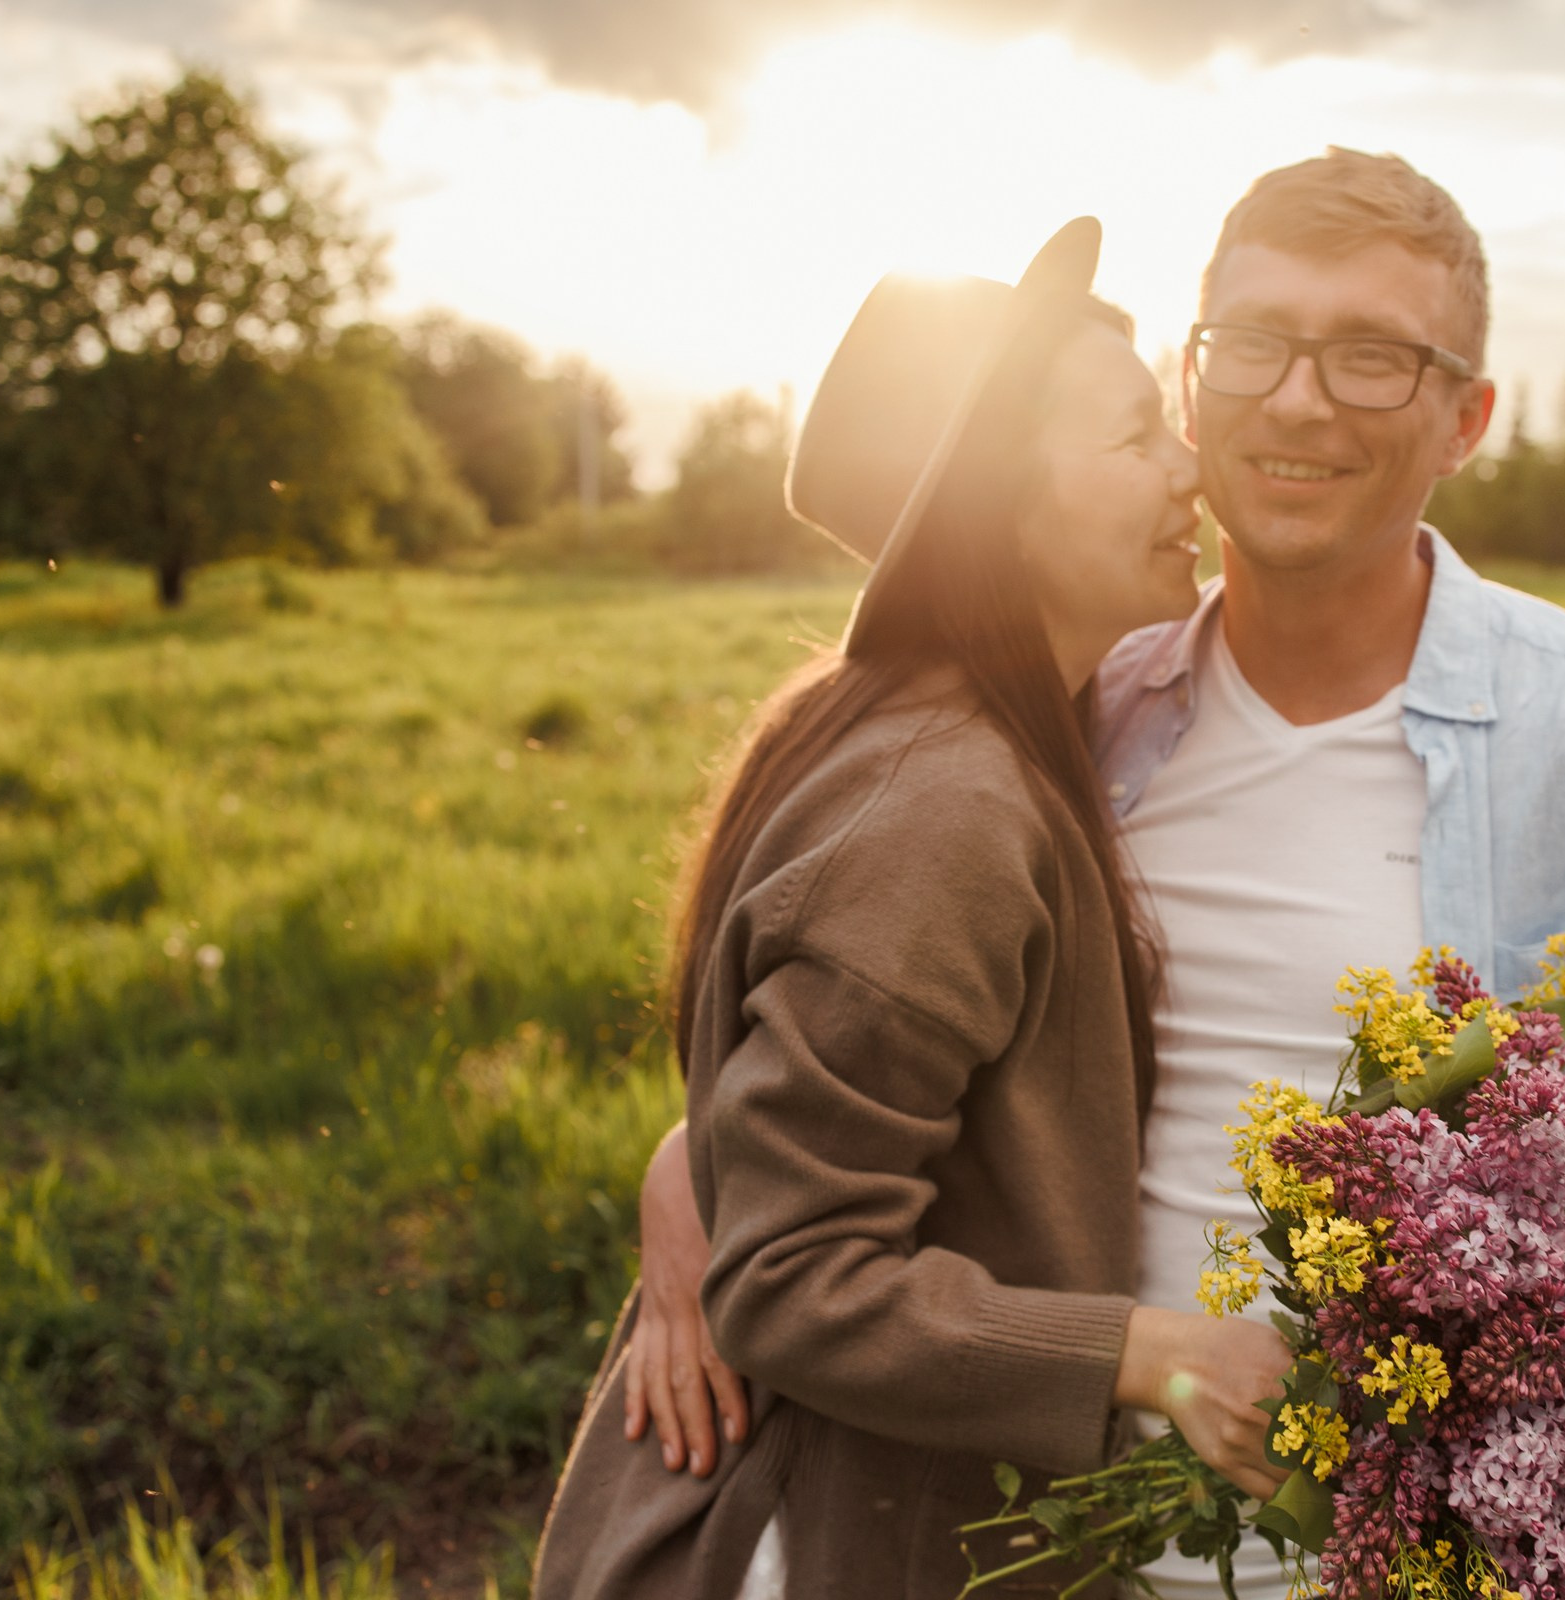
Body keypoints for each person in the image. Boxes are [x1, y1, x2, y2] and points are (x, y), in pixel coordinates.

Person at [627, 151, 1565, 1598]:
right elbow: (872, 1031)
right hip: (1041, 1548)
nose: (1300, 399)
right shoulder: (1074, 709)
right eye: (1255, 342)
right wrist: (699, 1176)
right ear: (1195, 381)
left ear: (1467, 420)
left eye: (1374, 358)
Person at [530, 219, 1291, 1600]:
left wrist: (690, 1159)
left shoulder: (960, 742)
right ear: (998, 505)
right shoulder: (949, 809)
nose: (1192, 468)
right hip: (827, 1550)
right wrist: (1159, 1352)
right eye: (1134, 438)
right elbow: (790, 1276)